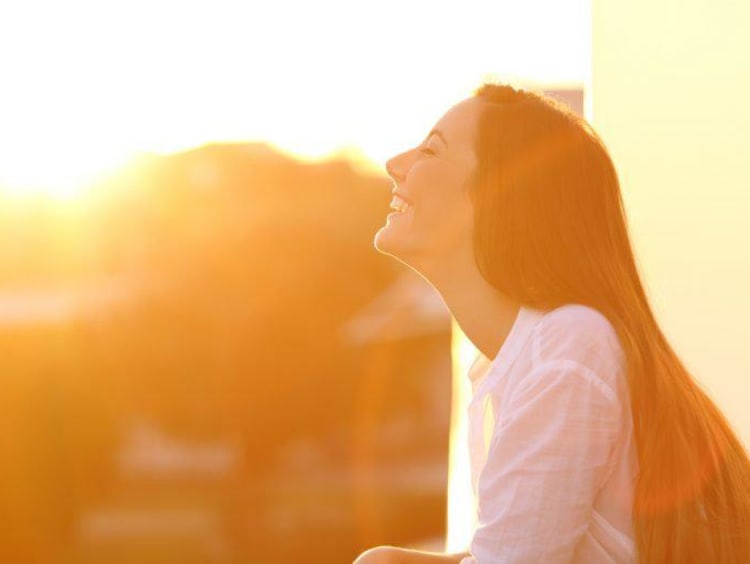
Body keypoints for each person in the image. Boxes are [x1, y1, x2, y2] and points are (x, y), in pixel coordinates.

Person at [353, 82, 750, 563]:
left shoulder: (567, 350)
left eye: (431, 150)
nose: (396, 163)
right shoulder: (529, 358)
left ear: (498, 194)